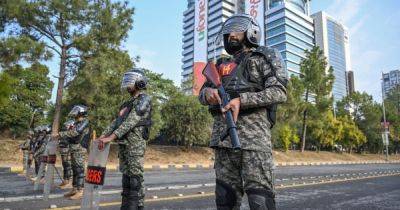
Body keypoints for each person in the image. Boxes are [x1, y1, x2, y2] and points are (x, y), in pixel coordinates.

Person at [198, 14, 288, 210]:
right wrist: (210, 93)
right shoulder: (220, 64)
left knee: (260, 201)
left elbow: (279, 92)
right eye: (228, 31)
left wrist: (242, 100)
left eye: (237, 29)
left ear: (251, 32)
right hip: (223, 143)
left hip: (254, 142)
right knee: (224, 200)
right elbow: (201, 95)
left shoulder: (264, 57)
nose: (231, 34)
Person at [97, 68, 151, 210]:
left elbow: (131, 122)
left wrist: (112, 137)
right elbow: (116, 122)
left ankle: (137, 206)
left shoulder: (144, 99)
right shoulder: (127, 104)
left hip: (135, 146)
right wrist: (102, 136)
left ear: (140, 82)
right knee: (126, 179)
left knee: (135, 180)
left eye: (131, 80)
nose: (128, 84)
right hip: (124, 145)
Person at [54, 105, 90, 200]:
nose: (74, 112)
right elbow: (71, 132)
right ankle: (75, 189)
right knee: (74, 169)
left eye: (76, 111)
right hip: (74, 148)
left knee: (79, 169)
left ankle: (80, 190)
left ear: (81, 112)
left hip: (80, 148)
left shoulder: (85, 122)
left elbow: (76, 132)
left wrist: (61, 134)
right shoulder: (77, 122)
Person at [57, 120, 74, 189]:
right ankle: (65, 180)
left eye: (66, 125)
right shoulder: (65, 133)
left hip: (68, 151)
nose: (65, 127)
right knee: (65, 166)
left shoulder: (72, 133)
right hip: (63, 151)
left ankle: (70, 182)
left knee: (69, 166)